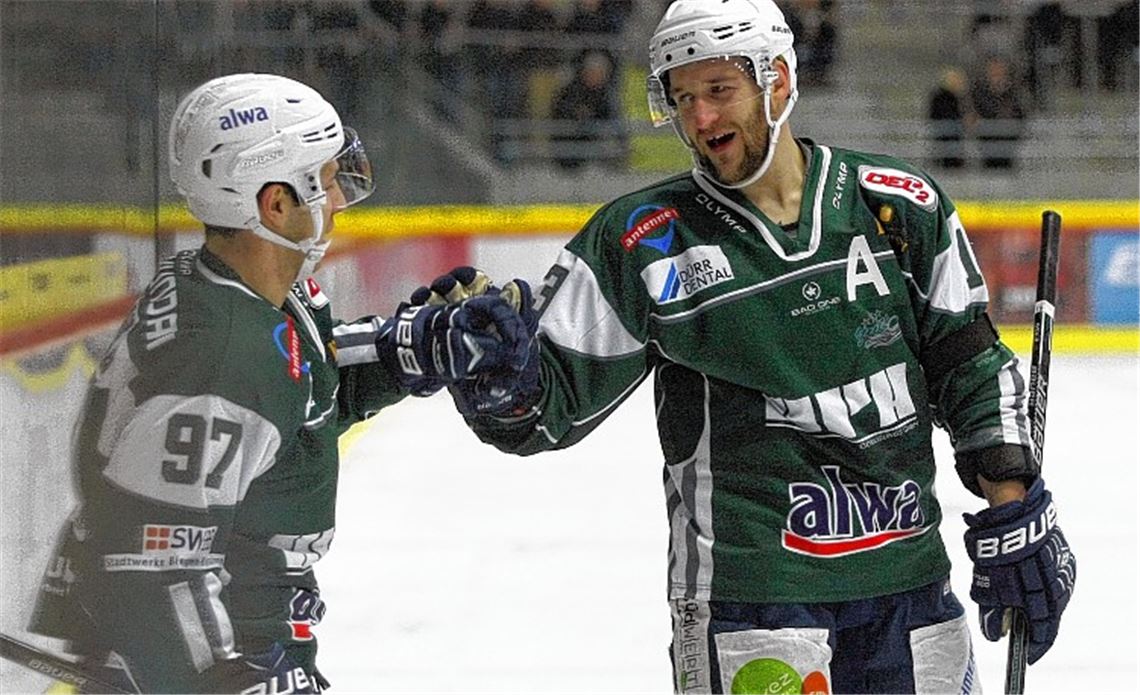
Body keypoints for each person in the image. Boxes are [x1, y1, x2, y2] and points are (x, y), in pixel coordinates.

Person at [428, 1, 1076, 692]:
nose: (700, 120)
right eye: (683, 99)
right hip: (753, 601)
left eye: (718, 90)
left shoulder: (898, 207)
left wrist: (1014, 498)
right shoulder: (646, 240)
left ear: (778, 82)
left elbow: (969, 362)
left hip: (908, 588)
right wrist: (497, 373)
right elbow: (542, 407)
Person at [28, 73, 529, 693]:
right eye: (322, 180)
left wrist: (417, 346)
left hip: (246, 627)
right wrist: (219, 679)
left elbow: (300, 392)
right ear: (274, 203)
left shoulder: (248, 293)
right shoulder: (224, 354)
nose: (340, 199)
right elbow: (152, 561)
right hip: (227, 642)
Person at [971, 54, 1027, 170]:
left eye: (999, 68)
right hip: (987, 139)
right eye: (993, 69)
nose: (996, 72)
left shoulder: (1014, 91)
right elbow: (980, 110)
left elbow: (1020, 112)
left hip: (1008, 139)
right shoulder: (979, 91)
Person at [927, 66, 971, 169]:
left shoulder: (958, 97)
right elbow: (936, 114)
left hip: (954, 134)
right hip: (944, 132)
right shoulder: (939, 96)